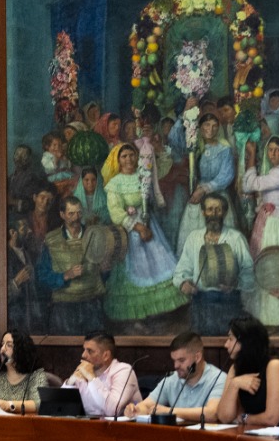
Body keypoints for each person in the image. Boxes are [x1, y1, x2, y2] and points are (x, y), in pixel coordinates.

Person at [102, 142, 184, 323]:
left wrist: (147, 211)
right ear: (118, 160)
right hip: (130, 232)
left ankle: (158, 314)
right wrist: (138, 227)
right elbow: (115, 212)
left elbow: (152, 196)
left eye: (132, 155)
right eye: (124, 156)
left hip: (149, 224)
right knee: (137, 270)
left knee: (159, 264)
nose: (129, 159)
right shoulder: (114, 184)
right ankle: (136, 320)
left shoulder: (143, 175)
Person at [171, 193, 254, 336]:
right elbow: (180, 272)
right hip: (201, 303)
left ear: (225, 212)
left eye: (218, 209)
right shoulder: (194, 238)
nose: (214, 214)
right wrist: (184, 283)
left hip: (229, 303)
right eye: (210, 209)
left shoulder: (236, 238)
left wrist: (235, 284)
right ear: (203, 212)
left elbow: (250, 275)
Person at [36, 196, 109, 336]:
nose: (76, 218)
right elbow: (42, 276)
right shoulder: (51, 240)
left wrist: (105, 270)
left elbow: (104, 274)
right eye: (71, 214)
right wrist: (65, 275)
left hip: (91, 305)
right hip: (64, 308)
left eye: (79, 213)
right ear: (62, 215)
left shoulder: (94, 236)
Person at [214, 315, 279, 429]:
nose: (226, 344)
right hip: (256, 435)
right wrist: (234, 384)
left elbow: (272, 419)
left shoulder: (275, 366)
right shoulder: (236, 368)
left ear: (245, 341)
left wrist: (244, 418)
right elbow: (224, 417)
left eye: (230, 339)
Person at [130, 331, 227, 423]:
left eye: (181, 360)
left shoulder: (218, 378)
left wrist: (170, 411)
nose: (176, 366)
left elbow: (212, 413)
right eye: (174, 360)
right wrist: (135, 410)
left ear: (197, 357)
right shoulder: (172, 380)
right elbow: (147, 405)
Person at [174, 112, 236, 244]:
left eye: (214, 126)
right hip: (197, 194)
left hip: (218, 193)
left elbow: (227, 175)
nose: (210, 129)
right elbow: (173, 140)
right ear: (200, 127)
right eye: (207, 125)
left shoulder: (224, 148)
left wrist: (205, 189)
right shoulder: (194, 146)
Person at [0, 330, 50, 414]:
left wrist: (9, 405)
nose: (2, 349)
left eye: (9, 345)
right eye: (2, 344)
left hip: (25, 425)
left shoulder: (37, 375)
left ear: (21, 350)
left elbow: (39, 404)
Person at [63, 332, 139, 418]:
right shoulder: (84, 372)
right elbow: (61, 407)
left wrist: (91, 378)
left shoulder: (123, 370)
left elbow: (113, 411)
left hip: (122, 428)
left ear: (106, 355)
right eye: (84, 350)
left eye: (90, 351)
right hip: (89, 427)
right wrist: (71, 381)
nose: (83, 355)